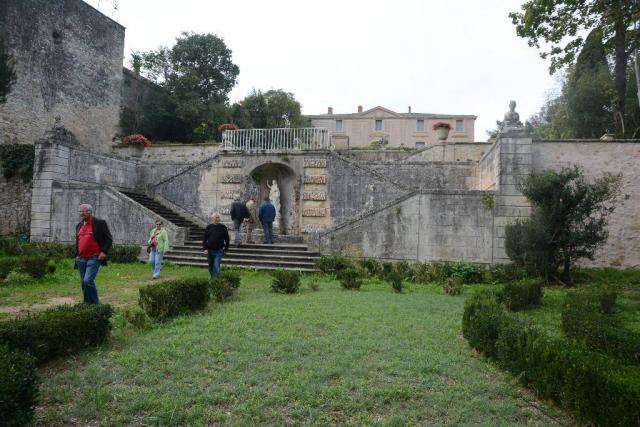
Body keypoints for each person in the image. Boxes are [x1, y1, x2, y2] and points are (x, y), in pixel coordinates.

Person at [75, 203, 112, 304]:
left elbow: (108, 239)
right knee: (84, 283)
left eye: (83, 211)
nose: (81, 213)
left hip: (94, 258)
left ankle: (96, 304)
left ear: (89, 212)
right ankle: (87, 303)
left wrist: (104, 252)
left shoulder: (99, 223)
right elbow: (78, 241)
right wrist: (77, 255)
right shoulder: (79, 225)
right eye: (80, 211)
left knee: (87, 280)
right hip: (81, 259)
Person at [202, 212, 230, 279]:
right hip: (210, 250)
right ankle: (213, 278)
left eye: (218, 217)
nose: (218, 219)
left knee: (216, 265)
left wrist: (226, 249)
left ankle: (214, 281)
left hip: (219, 251)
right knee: (211, 266)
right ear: (212, 218)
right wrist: (205, 249)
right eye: (216, 217)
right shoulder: (209, 227)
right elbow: (205, 239)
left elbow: (227, 239)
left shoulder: (223, 227)